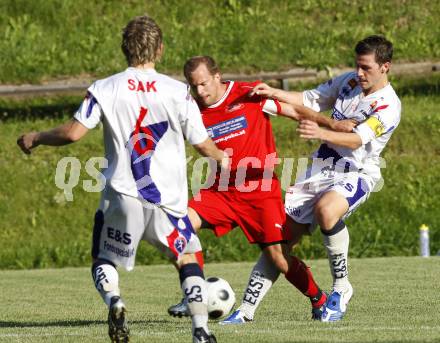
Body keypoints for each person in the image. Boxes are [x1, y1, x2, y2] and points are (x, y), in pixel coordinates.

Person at [16, 16, 226, 343]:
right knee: (186, 257)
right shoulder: (178, 92)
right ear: (160, 49)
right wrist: (222, 156)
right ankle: (201, 331)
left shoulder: (105, 88)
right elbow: (201, 144)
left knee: (104, 259)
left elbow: (73, 133)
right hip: (167, 200)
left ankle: (115, 300)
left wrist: (37, 136)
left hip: (122, 195)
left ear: (124, 49)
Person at [167, 55, 354, 324]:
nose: (200, 91)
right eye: (193, 86)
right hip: (221, 191)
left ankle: (320, 299)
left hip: (260, 191)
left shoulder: (248, 94)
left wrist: (332, 125)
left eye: (204, 84)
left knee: (278, 258)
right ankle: (193, 295)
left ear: (217, 76)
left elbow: (295, 111)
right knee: (180, 225)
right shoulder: (190, 107)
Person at [230, 35, 401, 323]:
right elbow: (311, 99)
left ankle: (341, 286)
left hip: (357, 172)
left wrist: (321, 132)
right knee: (279, 241)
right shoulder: (348, 81)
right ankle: (246, 311)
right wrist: (274, 93)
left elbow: (357, 139)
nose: (359, 73)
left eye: (366, 68)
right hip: (320, 169)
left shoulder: (388, 105)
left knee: (327, 210)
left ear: (385, 67)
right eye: (357, 66)